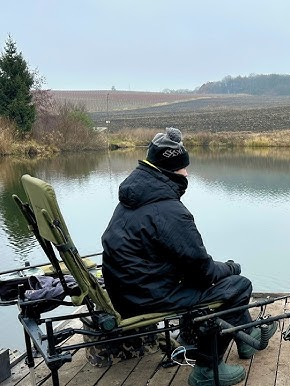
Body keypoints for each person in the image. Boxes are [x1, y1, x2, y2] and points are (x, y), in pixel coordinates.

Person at [101, 127, 275, 386]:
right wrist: (230, 268)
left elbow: (187, 262)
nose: (187, 173)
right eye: (184, 168)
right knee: (238, 286)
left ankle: (246, 338)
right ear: (171, 170)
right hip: (147, 297)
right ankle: (206, 368)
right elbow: (204, 271)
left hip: (129, 289)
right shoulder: (169, 211)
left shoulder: (134, 198)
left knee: (212, 282)